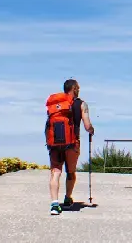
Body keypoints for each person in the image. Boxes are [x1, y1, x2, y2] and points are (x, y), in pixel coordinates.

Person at [45, 79, 94, 215]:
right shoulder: (81, 104)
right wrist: (92, 130)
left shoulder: (55, 104)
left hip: (54, 143)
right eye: (77, 87)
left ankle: (55, 204)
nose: (79, 89)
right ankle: (67, 199)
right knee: (70, 172)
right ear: (74, 88)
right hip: (72, 143)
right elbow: (87, 126)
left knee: (55, 172)